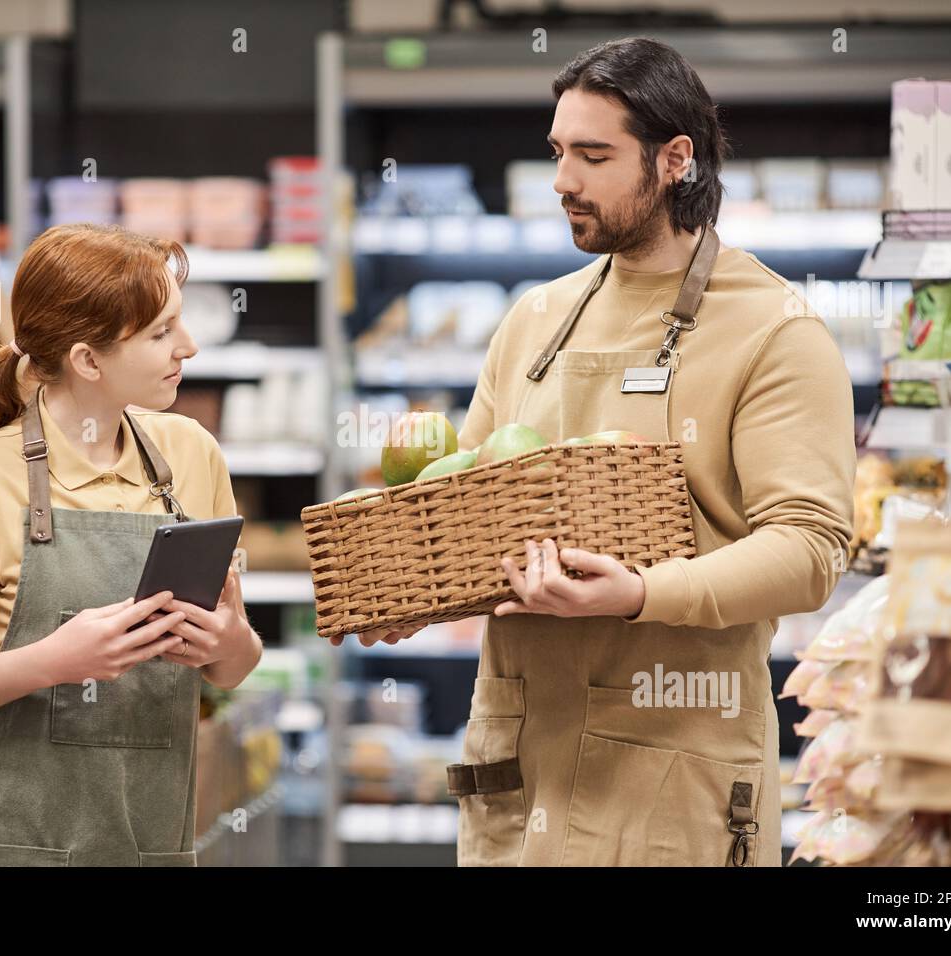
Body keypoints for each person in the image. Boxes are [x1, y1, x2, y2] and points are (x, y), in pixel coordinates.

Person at [339, 37, 856, 866]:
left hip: (672, 755)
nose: (562, 181)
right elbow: (463, 504)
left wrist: (642, 593)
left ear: (674, 160)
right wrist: (411, 587)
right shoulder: (534, 321)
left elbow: (811, 548)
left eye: (592, 154)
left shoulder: (774, 330)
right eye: (556, 152)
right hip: (519, 760)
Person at [0, 223, 262, 867]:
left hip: (151, 851)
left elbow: (233, 665)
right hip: (10, 851)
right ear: (88, 360)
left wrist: (229, 642)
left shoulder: (192, 457)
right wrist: (55, 661)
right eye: (162, 333)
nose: (190, 346)